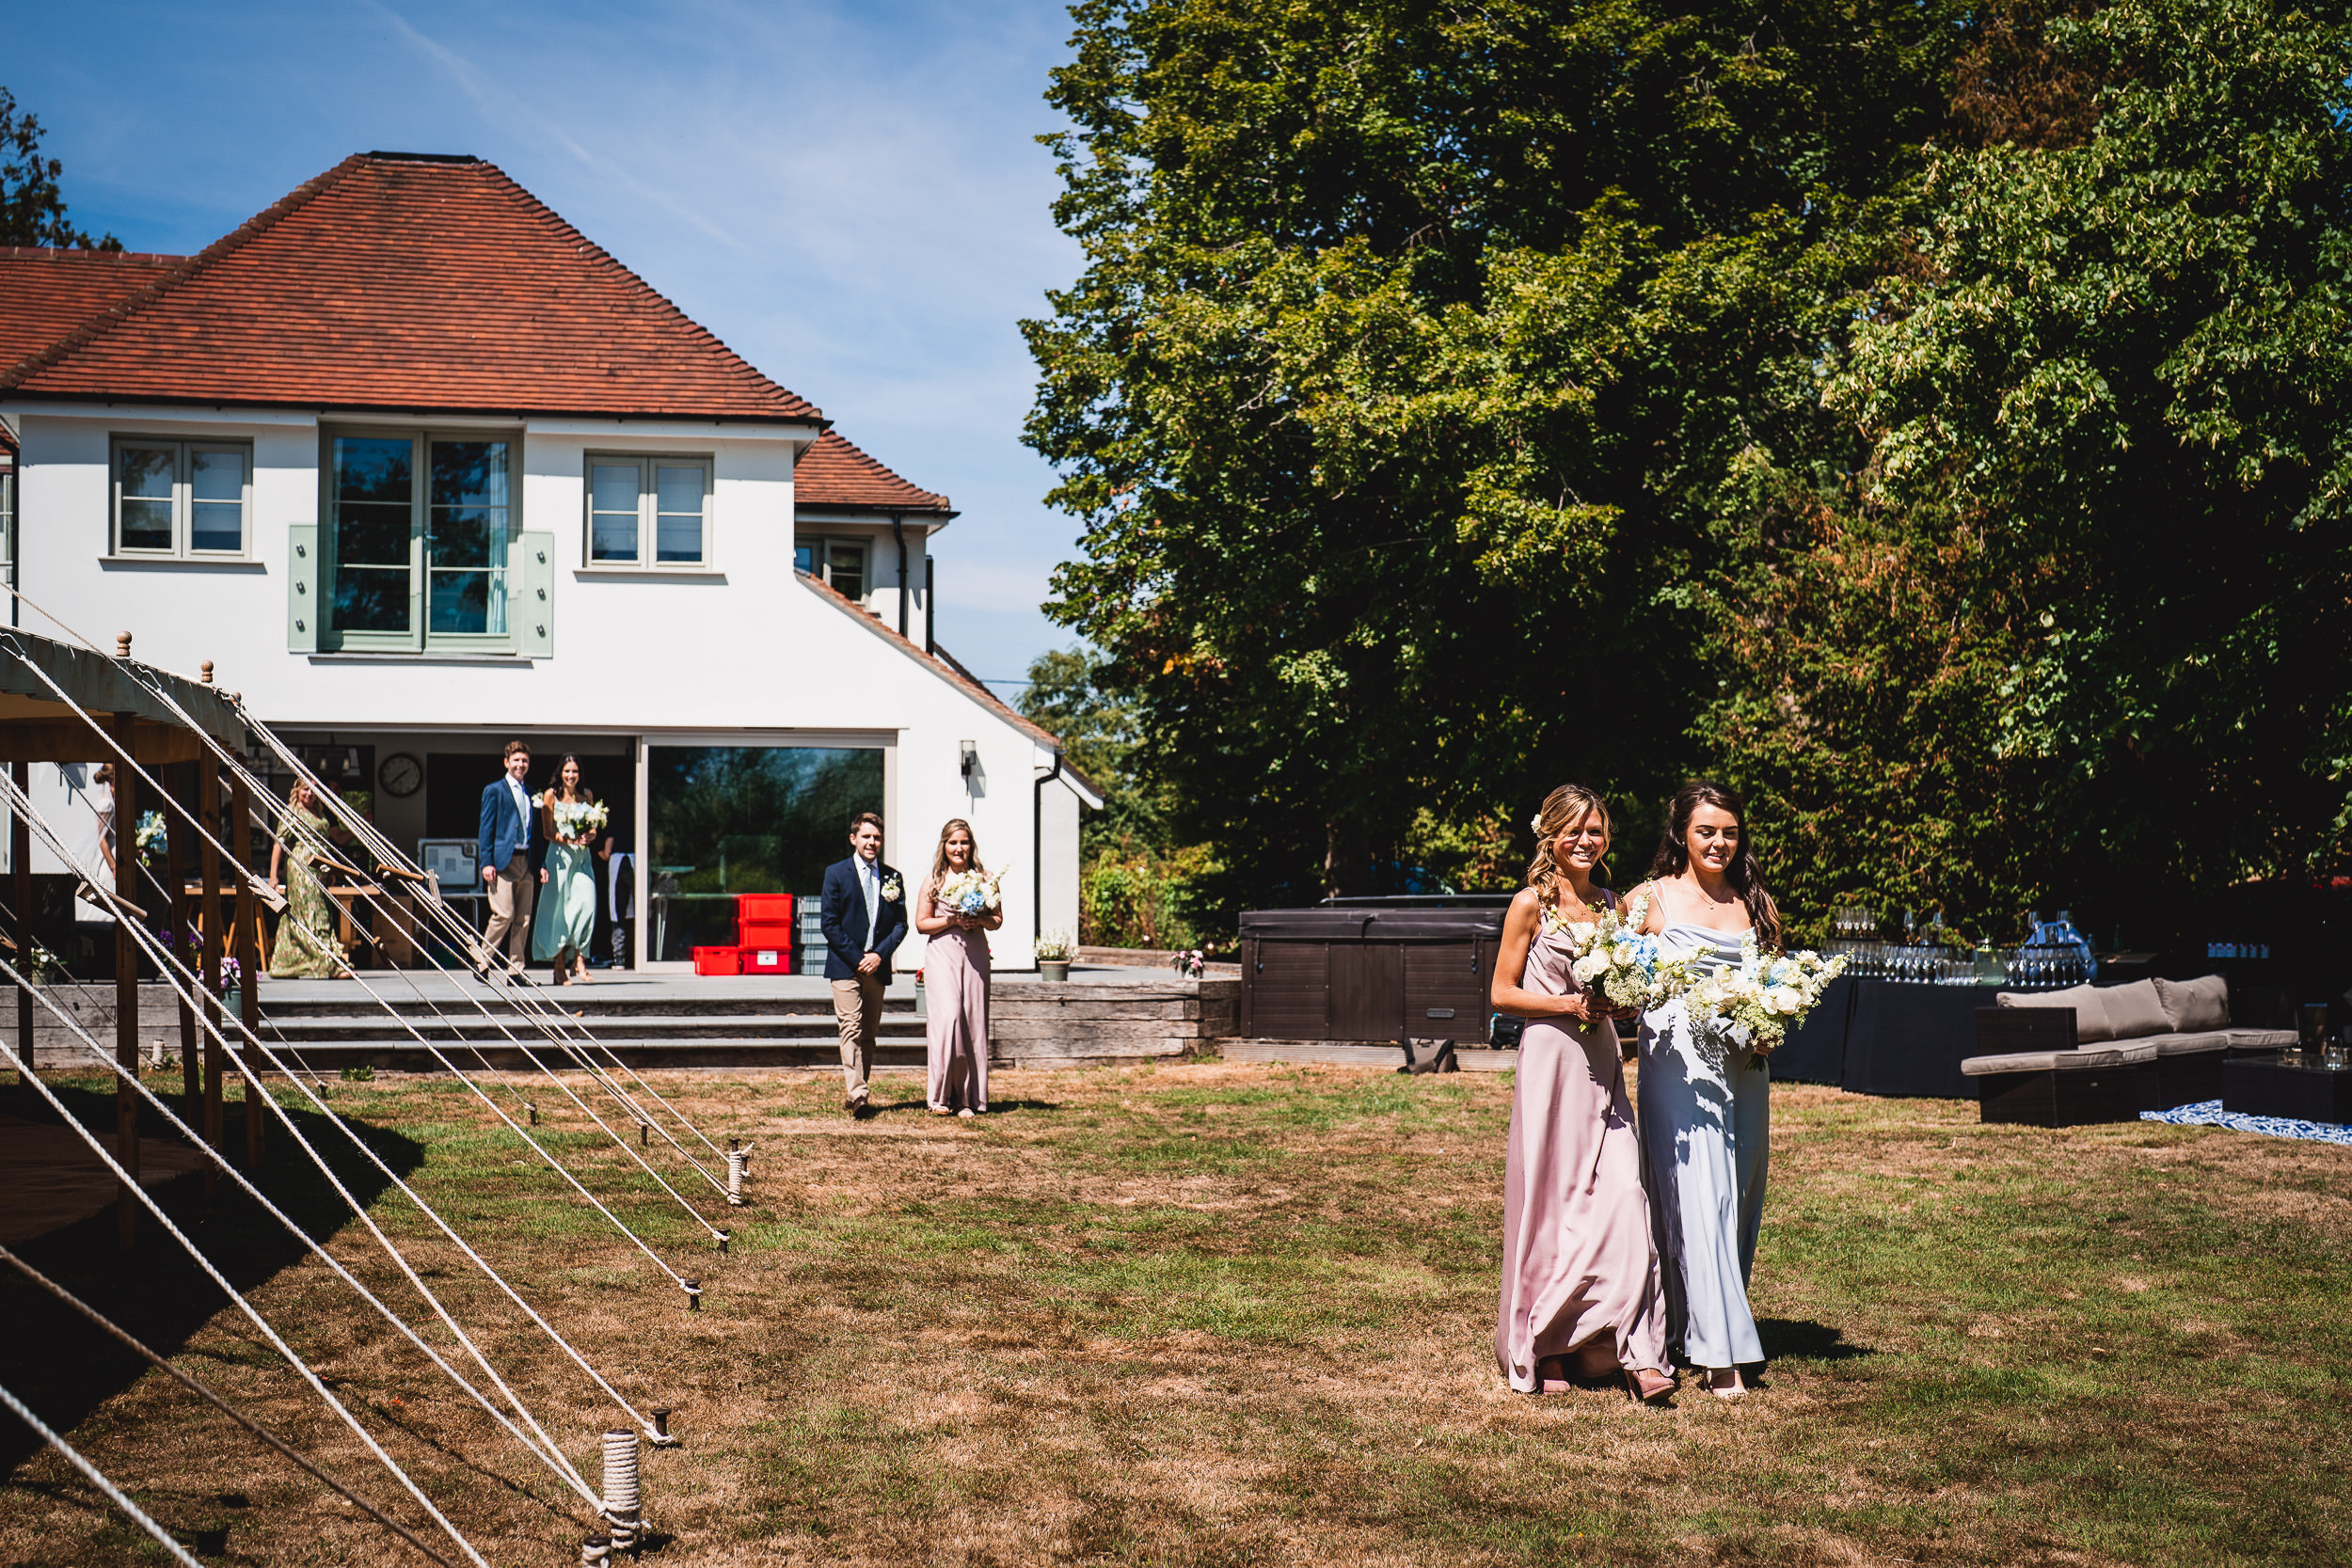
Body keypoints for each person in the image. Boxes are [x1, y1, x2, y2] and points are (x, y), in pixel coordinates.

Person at [1490, 784, 1675, 1404]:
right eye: (1574, 829)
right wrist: (1568, 1003)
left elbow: (1625, 984)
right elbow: (1502, 993)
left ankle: (1639, 1351)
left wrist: (1620, 1001)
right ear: (1551, 834)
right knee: (1551, 1205)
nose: (1585, 840)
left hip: (1601, 1059)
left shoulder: (1613, 907)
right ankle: (1548, 1344)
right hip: (1550, 1060)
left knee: (1625, 1195)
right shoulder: (1529, 905)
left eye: (1595, 830)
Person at [1631, 780, 1783, 1400]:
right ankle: (1722, 1357)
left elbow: (1772, 983)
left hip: (1745, 1067)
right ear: (1681, 834)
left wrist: (1770, 1024)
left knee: (1740, 1196)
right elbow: (1624, 980)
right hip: (1679, 1066)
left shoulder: (1755, 902)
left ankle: (1691, 1324)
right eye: (1705, 830)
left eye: (1728, 831)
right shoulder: (1650, 898)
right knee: (1703, 1195)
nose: (1718, 841)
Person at [819, 812, 907, 1118]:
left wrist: (879, 955)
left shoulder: (892, 877)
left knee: (868, 1033)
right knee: (851, 1028)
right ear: (853, 838)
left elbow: (901, 925)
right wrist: (857, 957)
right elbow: (829, 924)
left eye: (877, 837)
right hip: (846, 965)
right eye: (866, 836)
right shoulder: (836, 873)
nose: (872, 842)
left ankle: (856, 1089)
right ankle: (859, 1094)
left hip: (877, 966)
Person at [914, 817, 1000, 1117]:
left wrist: (980, 920)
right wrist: (952, 920)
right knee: (948, 1018)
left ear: (971, 845)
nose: (958, 848)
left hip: (974, 953)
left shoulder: (985, 879)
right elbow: (922, 924)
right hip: (941, 953)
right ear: (944, 846)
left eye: (964, 842)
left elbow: (998, 920)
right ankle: (941, 1096)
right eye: (953, 842)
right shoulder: (934, 880)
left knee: (973, 1023)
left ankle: (969, 1099)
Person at [477, 740, 546, 982]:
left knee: (523, 918)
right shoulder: (494, 790)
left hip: (526, 860)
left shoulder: (532, 793)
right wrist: (486, 861)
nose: (520, 764)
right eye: (516, 760)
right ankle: (481, 961)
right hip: (502, 862)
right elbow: (486, 828)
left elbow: (536, 833)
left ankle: (516, 970)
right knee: (503, 914)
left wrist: (542, 865)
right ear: (507, 762)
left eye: (524, 760)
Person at [530, 755, 600, 986]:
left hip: (582, 859)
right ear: (561, 772)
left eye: (575, 771)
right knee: (559, 911)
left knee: (587, 905)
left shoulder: (587, 795)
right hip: (559, 858)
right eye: (567, 771)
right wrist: (566, 839)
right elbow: (547, 832)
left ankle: (579, 959)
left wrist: (589, 836)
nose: (571, 776)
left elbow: (593, 828)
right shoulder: (551, 795)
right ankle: (559, 966)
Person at [266, 779, 346, 979]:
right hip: (301, 869)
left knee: (316, 912)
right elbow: (279, 843)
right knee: (313, 914)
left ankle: (290, 962)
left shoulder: (318, 813)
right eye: (305, 789)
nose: (309, 794)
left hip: (320, 870)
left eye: (313, 790)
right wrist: (273, 875)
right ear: (297, 790)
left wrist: (329, 873)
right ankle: (328, 963)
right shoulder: (292, 811)